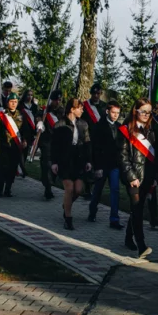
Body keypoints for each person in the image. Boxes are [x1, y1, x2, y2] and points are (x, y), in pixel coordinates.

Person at [118, 98, 158, 258]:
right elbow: (122, 156)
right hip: (134, 177)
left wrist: (157, 176)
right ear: (135, 111)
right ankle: (141, 246)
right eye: (143, 111)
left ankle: (128, 237)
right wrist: (130, 176)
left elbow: (156, 156)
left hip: (148, 176)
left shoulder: (151, 130)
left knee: (138, 208)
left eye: (149, 112)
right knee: (137, 210)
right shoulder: (125, 130)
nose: (146, 114)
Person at [52, 98, 92, 229]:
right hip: (65, 161)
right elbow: (55, 146)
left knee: (78, 190)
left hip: (79, 160)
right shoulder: (59, 125)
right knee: (69, 189)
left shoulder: (84, 124)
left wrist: (88, 161)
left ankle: (66, 204)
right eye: (79, 108)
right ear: (72, 109)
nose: (82, 110)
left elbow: (87, 144)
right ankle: (68, 219)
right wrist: (54, 163)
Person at [89, 101, 123, 228]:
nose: (115, 115)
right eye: (113, 112)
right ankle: (92, 210)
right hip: (102, 164)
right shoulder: (99, 126)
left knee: (115, 190)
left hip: (114, 164)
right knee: (98, 190)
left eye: (118, 113)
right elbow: (95, 148)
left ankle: (114, 219)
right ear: (107, 111)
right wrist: (97, 167)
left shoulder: (119, 127)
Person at [0, 92, 26, 198]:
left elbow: (24, 131)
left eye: (16, 102)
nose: (14, 104)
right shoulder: (2, 115)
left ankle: (8, 190)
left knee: (12, 169)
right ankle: (0, 189)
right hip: (3, 146)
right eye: (12, 102)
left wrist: (25, 140)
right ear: (7, 102)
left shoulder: (21, 115)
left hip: (15, 147)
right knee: (2, 168)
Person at [38, 89, 64, 200]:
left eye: (59, 100)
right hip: (47, 141)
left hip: (58, 142)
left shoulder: (63, 111)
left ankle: (51, 181)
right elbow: (38, 117)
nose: (57, 102)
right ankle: (47, 188)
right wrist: (39, 122)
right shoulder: (44, 111)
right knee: (47, 165)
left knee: (56, 166)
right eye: (55, 100)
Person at [17, 89, 40, 168]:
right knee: (22, 148)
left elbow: (36, 117)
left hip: (31, 130)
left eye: (31, 95)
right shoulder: (20, 105)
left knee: (26, 149)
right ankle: (22, 167)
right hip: (22, 129)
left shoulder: (34, 106)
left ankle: (22, 165)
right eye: (28, 95)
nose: (30, 97)